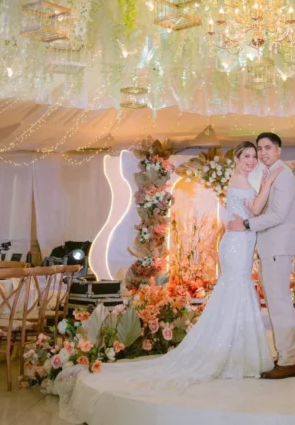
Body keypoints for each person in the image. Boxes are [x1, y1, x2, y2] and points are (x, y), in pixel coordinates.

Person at [56, 141, 276, 422]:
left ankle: (238, 349)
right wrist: (268, 184)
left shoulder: (244, 179)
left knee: (238, 289)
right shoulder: (241, 178)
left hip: (240, 242)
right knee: (236, 288)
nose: (252, 160)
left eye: (254, 156)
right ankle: (233, 353)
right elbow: (256, 210)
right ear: (237, 159)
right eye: (247, 155)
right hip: (237, 244)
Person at [225, 131, 295, 379]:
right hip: (270, 248)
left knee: (279, 305)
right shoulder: (270, 175)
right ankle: (284, 356)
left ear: (279, 149)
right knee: (276, 304)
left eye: (268, 148)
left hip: (277, 248)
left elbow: (277, 215)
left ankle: (288, 361)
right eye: (260, 149)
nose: (263, 153)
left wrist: (246, 225)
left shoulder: (284, 176)